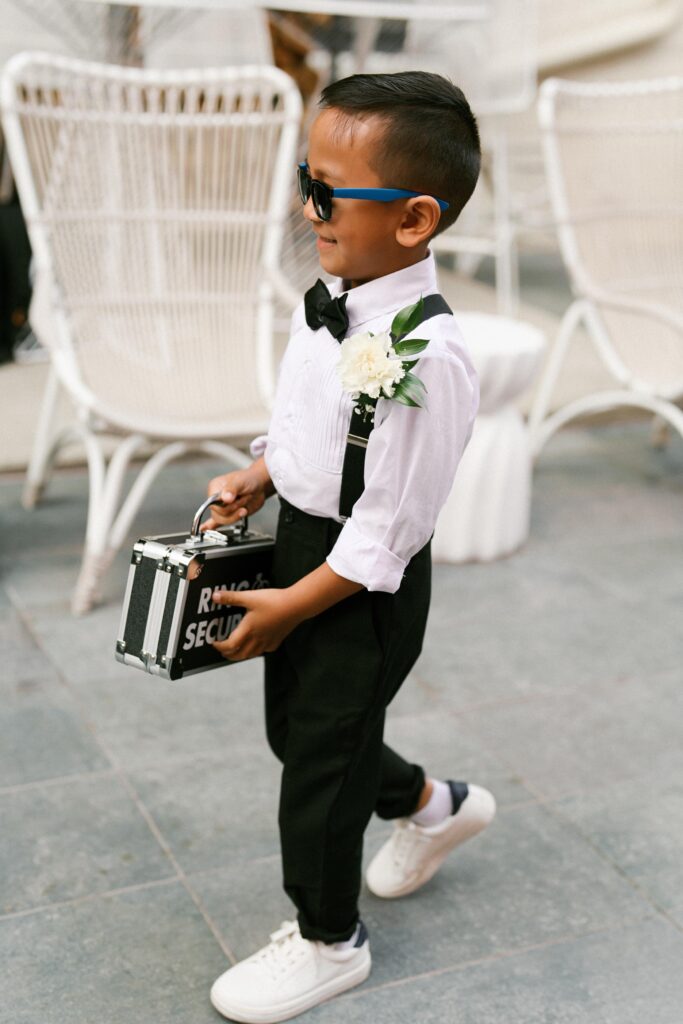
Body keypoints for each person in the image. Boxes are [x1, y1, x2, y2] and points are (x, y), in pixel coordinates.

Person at [204, 71, 496, 1024]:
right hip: (301, 542)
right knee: (300, 731)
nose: (307, 207)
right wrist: (265, 471)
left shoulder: (427, 356)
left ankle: (329, 940)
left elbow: (390, 525)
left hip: (359, 585)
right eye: (306, 180)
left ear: (413, 219)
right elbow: (315, 422)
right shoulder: (333, 298)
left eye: (327, 192)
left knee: (320, 766)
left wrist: (295, 605)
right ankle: (432, 805)